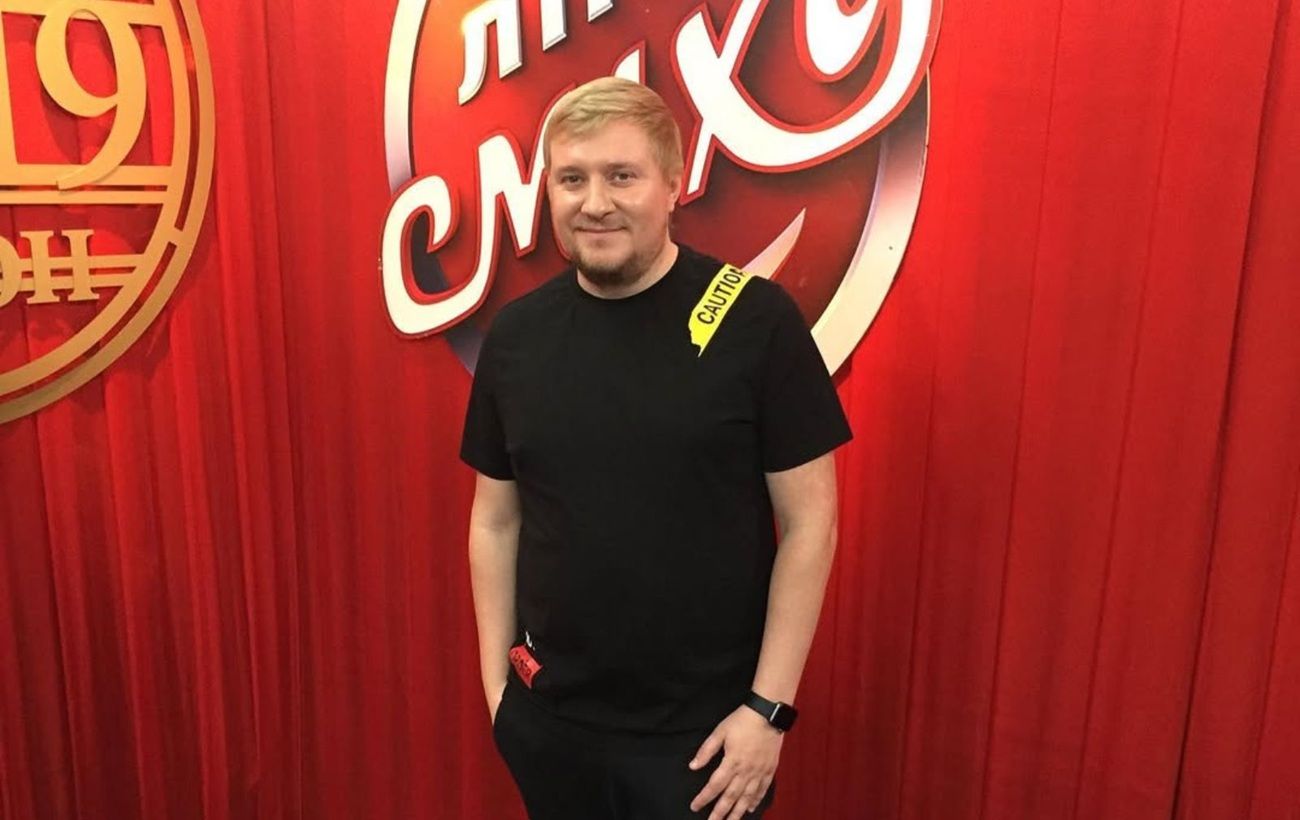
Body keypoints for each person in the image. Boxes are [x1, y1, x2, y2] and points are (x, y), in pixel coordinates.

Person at [460, 76, 851, 820]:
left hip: (707, 746)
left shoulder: (756, 321)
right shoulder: (514, 338)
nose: (594, 202)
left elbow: (811, 525)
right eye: (572, 178)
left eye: (622, 176)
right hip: (551, 729)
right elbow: (495, 520)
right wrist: (498, 693)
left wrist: (768, 710)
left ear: (672, 185)